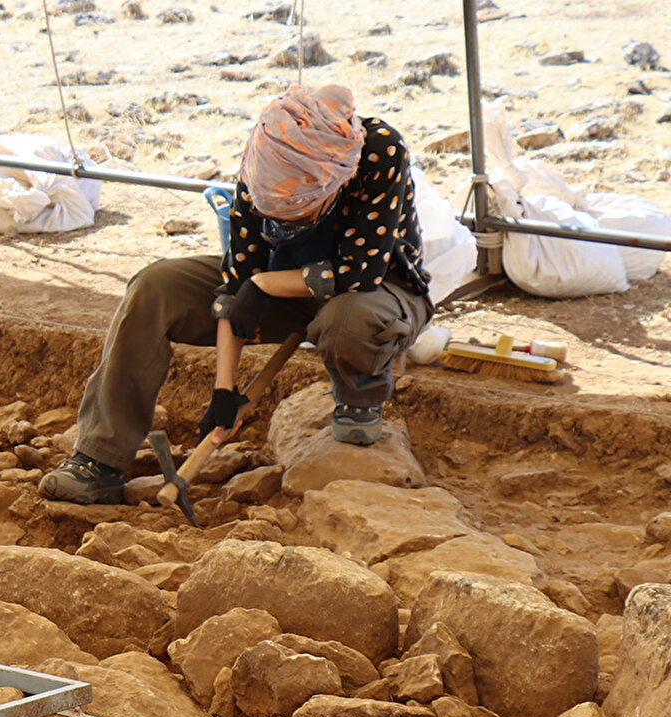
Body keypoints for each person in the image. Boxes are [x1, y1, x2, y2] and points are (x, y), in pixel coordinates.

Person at [39, 83, 433, 506]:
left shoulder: (378, 150)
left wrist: (262, 286)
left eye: (298, 211)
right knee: (155, 287)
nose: (285, 222)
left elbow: (360, 272)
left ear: (331, 183)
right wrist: (224, 392)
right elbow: (235, 283)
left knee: (348, 321)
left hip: (375, 291)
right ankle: (100, 458)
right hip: (283, 290)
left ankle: (360, 393)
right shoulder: (266, 155)